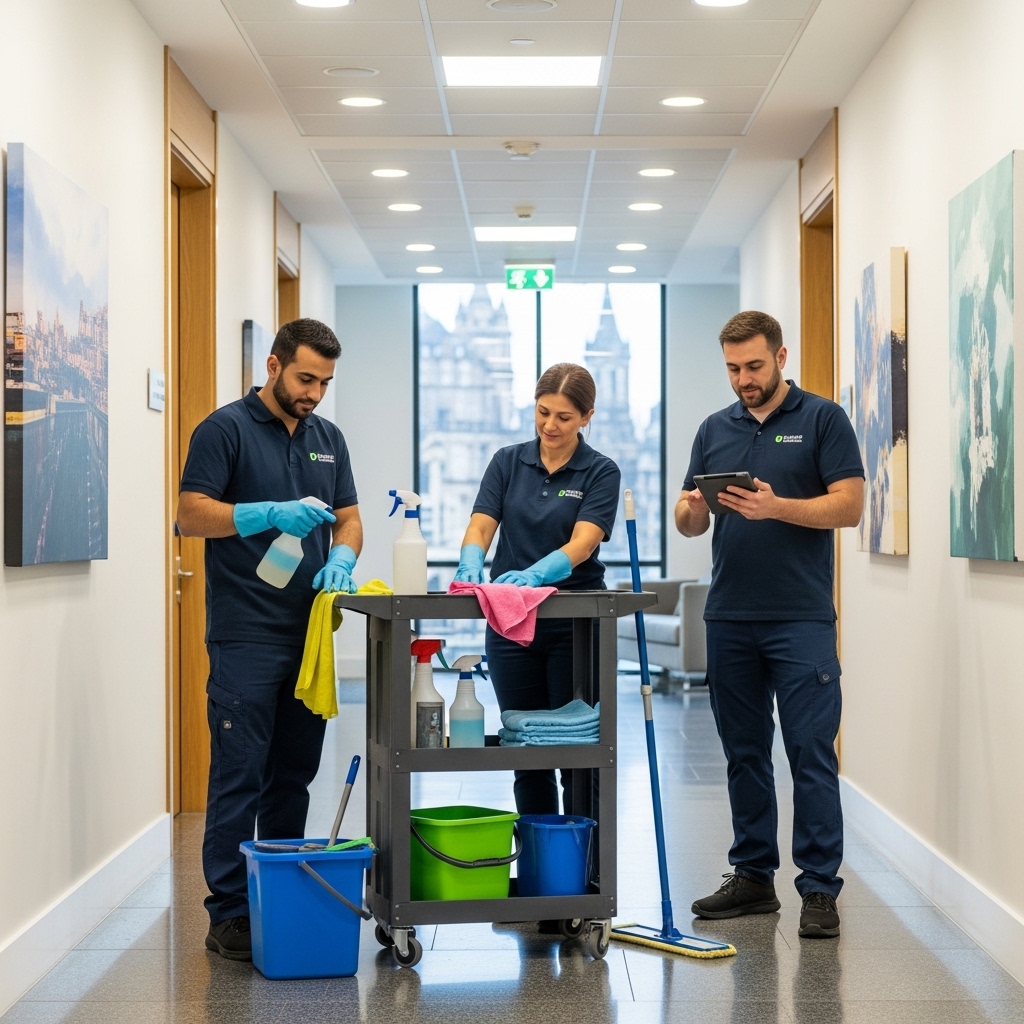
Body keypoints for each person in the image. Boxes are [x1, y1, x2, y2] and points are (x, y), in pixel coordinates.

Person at [177, 318, 363, 961]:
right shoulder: (223, 429)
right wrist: (263, 514)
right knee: (240, 774)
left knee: (293, 774)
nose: (314, 392)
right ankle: (228, 911)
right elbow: (190, 513)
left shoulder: (327, 438)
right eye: (306, 377)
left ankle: (276, 890)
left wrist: (342, 557)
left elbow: (350, 518)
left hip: (309, 633)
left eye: (325, 382)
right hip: (245, 633)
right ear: (275, 366)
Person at [675, 310, 863, 940]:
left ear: (782, 358)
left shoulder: (822, 420)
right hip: (730, 615)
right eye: (732, 369)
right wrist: (691, 509)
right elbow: (689, 523)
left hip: (800, 618)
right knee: (744, 754)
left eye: (753, 366)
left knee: (810, 752)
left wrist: (776, 506)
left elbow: (851, 506)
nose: (743, 379)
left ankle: (818, 889)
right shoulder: (713, 428)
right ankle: (753, 877)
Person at [453, 363, 620, 815]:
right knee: (525, 752)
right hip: (510, 624)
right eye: (543, 412)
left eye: (564, 417)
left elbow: (584, 543)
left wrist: (536, 575)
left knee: (576, 754)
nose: (550, 425)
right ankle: (540, 871)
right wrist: (471, 557)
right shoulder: (508, 461)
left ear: (586, 416)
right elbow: (482, 522)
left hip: (574, 627)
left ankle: (585, 872)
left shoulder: (600, 471)